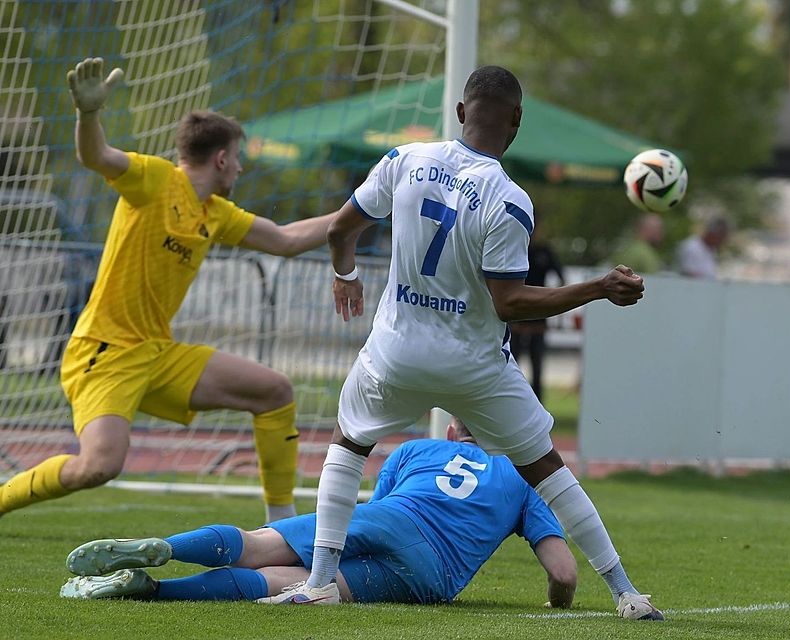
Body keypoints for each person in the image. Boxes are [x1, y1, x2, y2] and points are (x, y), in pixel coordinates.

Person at [263, 65, 663, 621]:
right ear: (516, 122)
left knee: (349, 443)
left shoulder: (404, 160)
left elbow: (338, 230)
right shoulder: (510, 198)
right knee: (546, 469)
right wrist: (597, 288)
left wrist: (346, 275)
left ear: (459, 112)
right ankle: (625, 593)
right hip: (473, 366)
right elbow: (511, 303)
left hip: (396, 351)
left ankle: (323, 580)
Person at [0, 58, 339, 523]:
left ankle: (281, 530)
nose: (240, 168)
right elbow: (96, 156)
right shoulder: (156, 179)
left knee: (274, 390)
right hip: (106, 353)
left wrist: (363, 209)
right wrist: (88, 113)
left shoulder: (215, 211)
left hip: (156, 353)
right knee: (98, 467)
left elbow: (286, 239)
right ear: (221, 158)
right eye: (237, 157)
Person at [60, 418, 578, 608]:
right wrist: (557, 604)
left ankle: (166, 550)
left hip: (392, 517)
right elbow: (563, 573)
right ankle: (156, 593)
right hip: (430, 575)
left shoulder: (416, 450)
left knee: (262, 543)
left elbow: (377, 514)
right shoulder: (525, 476)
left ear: (450, 432)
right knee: (298, 583)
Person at [509, 225, 564, 400]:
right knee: (511, 365)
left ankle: (537, 404)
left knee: (537, 367)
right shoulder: (515, 248)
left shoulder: (544, 252)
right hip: (515, 317)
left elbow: (561, 278)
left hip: (538, 319)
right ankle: (511, 402)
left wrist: (556, 308)